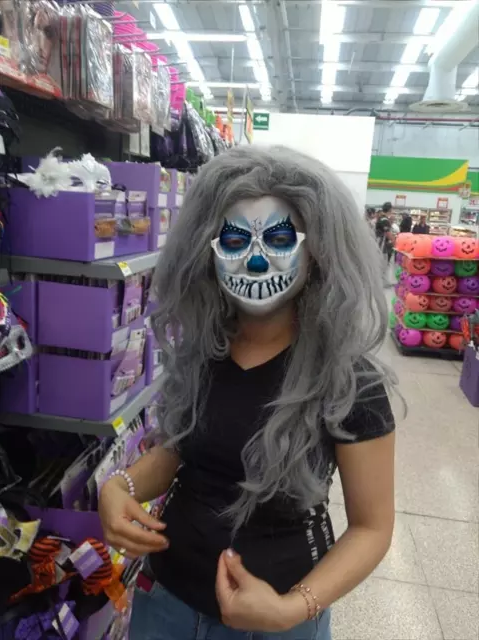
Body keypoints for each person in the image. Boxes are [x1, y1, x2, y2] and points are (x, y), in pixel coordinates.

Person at [99, 146, 396, 640]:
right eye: (236, 241)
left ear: (317, 250)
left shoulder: (348, 380)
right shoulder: (202, 350)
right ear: (208, 250)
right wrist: (119, 487)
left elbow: (372, 527)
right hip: (166, 603)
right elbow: (181, 450)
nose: (256, 262)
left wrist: (291, 609)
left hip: (278, 619)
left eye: (279, 239)